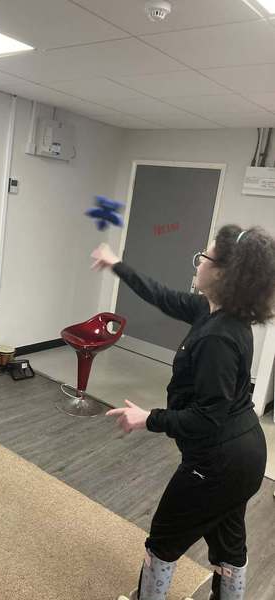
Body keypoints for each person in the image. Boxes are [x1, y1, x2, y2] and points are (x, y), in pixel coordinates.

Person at [91, 225, 275, 600]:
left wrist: (149, 418)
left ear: (222, 273)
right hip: (244, 457)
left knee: (163, 541)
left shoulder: (218, 338)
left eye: (203, 257)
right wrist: (116, 264)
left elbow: (207, 418)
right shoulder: (213, 312)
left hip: (219, 462)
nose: (198, 263)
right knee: (228, 544)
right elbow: (162, 296)